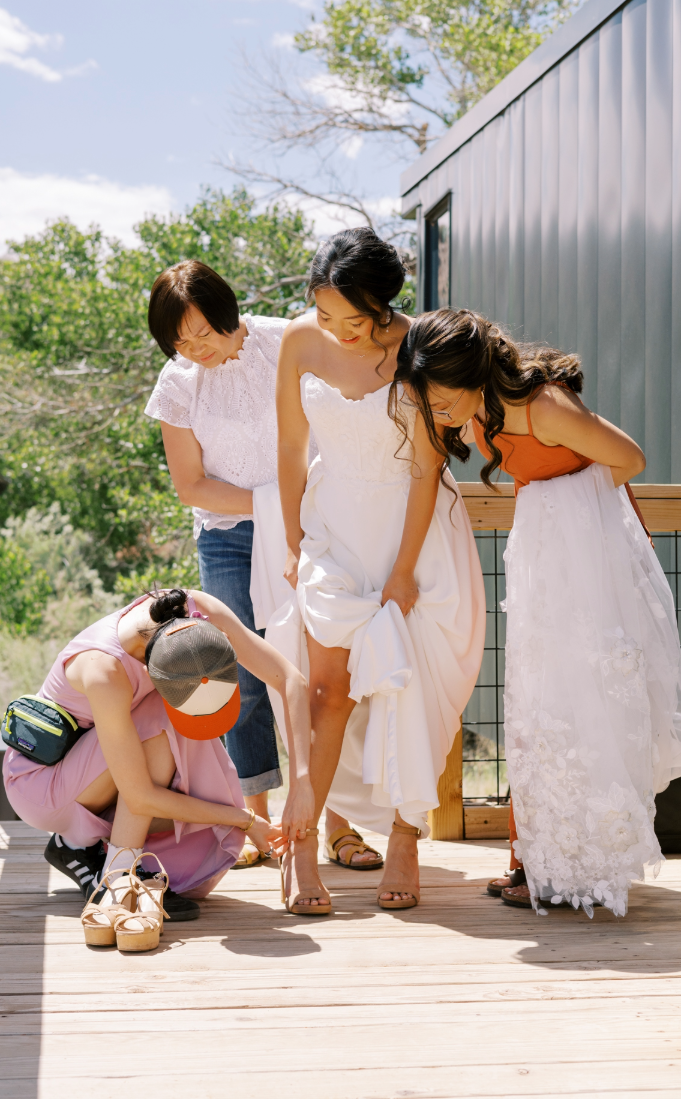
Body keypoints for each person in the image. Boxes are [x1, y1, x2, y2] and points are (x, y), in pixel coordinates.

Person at [393, 309, 681, 917]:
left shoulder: (545, 406)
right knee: (534, 705)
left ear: (475, 375)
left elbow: (629, 459)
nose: (440, 414)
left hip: (585, 559)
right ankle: (537, 858)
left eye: (444, 400)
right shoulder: (475, 412)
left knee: (582, 701)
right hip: (542, 558)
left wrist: (564, 504)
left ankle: (581, 865)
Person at [265, 228, 486, 916]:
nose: (335, 331)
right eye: (324, 314)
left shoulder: (418, 344)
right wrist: (296, 538)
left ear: (382, 305)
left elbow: (427, 465)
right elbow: (291, 447)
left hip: (409, 531)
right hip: (333, 531)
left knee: (408, 688)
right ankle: (300, 849)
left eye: (351, 320)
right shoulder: (300, 343)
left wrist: (404, 570)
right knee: (328, 693)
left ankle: (404, 838)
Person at [142, 260, 386, 874]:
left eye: (202, 332)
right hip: (229, 537)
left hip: (318, 525)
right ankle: (259, 821)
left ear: (227, 311)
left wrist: (297, 512)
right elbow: (191, 485)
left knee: (323, 667)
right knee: (242, 677)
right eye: (179, 340)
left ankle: (339, 821)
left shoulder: (289, 339)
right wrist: (272, 505)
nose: (192, 348)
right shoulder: (177, 384)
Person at [2, 587, 314, 950]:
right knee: (159, 719)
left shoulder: (197, 612)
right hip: (44, 788)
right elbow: (141, 797)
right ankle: (117, 873)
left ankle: (81, 847)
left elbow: (290, 679)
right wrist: (242, 819)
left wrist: (301, 781)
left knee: (193, 772)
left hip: (102, 771)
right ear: (154, 674)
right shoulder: (105, 670)